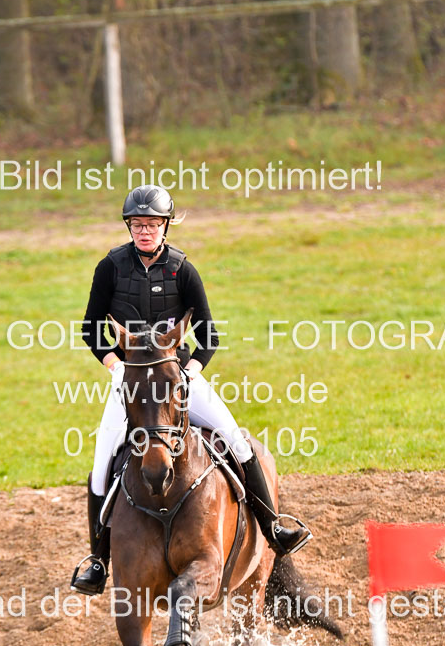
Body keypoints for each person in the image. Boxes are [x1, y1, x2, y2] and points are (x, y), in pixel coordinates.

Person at [71, 185, 310, 595]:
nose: (145, 231)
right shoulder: (110, 267)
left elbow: (209, 335)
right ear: (130, 226)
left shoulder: (182, 270)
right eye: (138, 224)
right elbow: (91, 328)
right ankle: (98, 560)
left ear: (166, 226)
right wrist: (115, 367)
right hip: (130, 382)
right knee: (100, 462)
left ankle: (273, 527)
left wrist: (191, 370)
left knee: (237, 442)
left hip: (177, 379)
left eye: (152, 224)